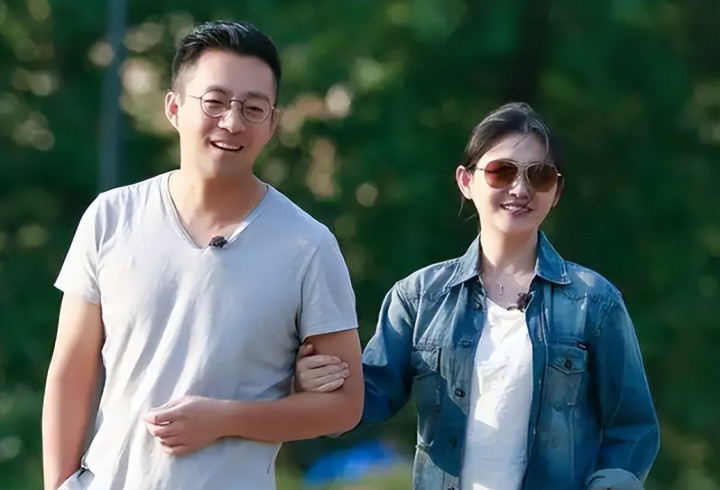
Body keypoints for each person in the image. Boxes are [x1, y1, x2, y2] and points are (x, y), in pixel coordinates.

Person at [42, 20, 363, 490]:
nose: (232, 122)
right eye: (214, 102)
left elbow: (344, 406)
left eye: (253, 108)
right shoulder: (111, 217)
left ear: (272, 123)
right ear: (174, 107)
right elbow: (71, 371)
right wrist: (58, 483)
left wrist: (224, 420)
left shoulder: (309, 246)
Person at [296, 102, 660, 490]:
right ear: (466, 181)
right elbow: (363, 400)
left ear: (556, 191)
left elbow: (633, 428)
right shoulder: (419, 298)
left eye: (539, 175)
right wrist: (310, 386)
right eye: (502, 171)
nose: (520, 189)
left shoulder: (594, 303)